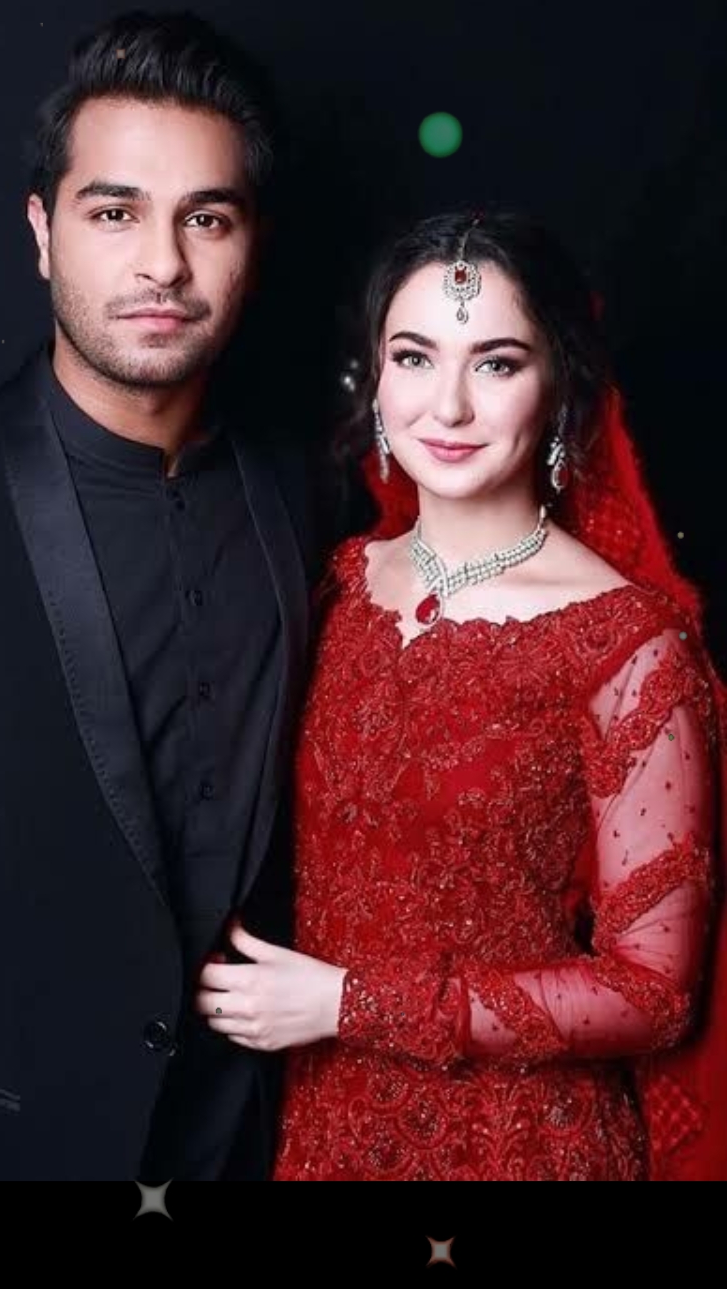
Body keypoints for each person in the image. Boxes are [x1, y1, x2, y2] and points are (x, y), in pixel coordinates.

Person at [0, 9, 339, 1181]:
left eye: (206, 217)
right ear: (42, 231)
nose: (162, 265)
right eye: (114, 212)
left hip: (251, 1140)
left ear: (253, 243)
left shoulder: (313, 495)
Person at [195, 206, 727, 1181]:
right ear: (375, 375)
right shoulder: (330, 584)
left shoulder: (626, 642)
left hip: (518, 1140)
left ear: (558, 384)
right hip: (316, 1127)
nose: (447, 407)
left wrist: (349, 1003)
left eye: (495, 363)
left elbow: (653, 993)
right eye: (414, 357)